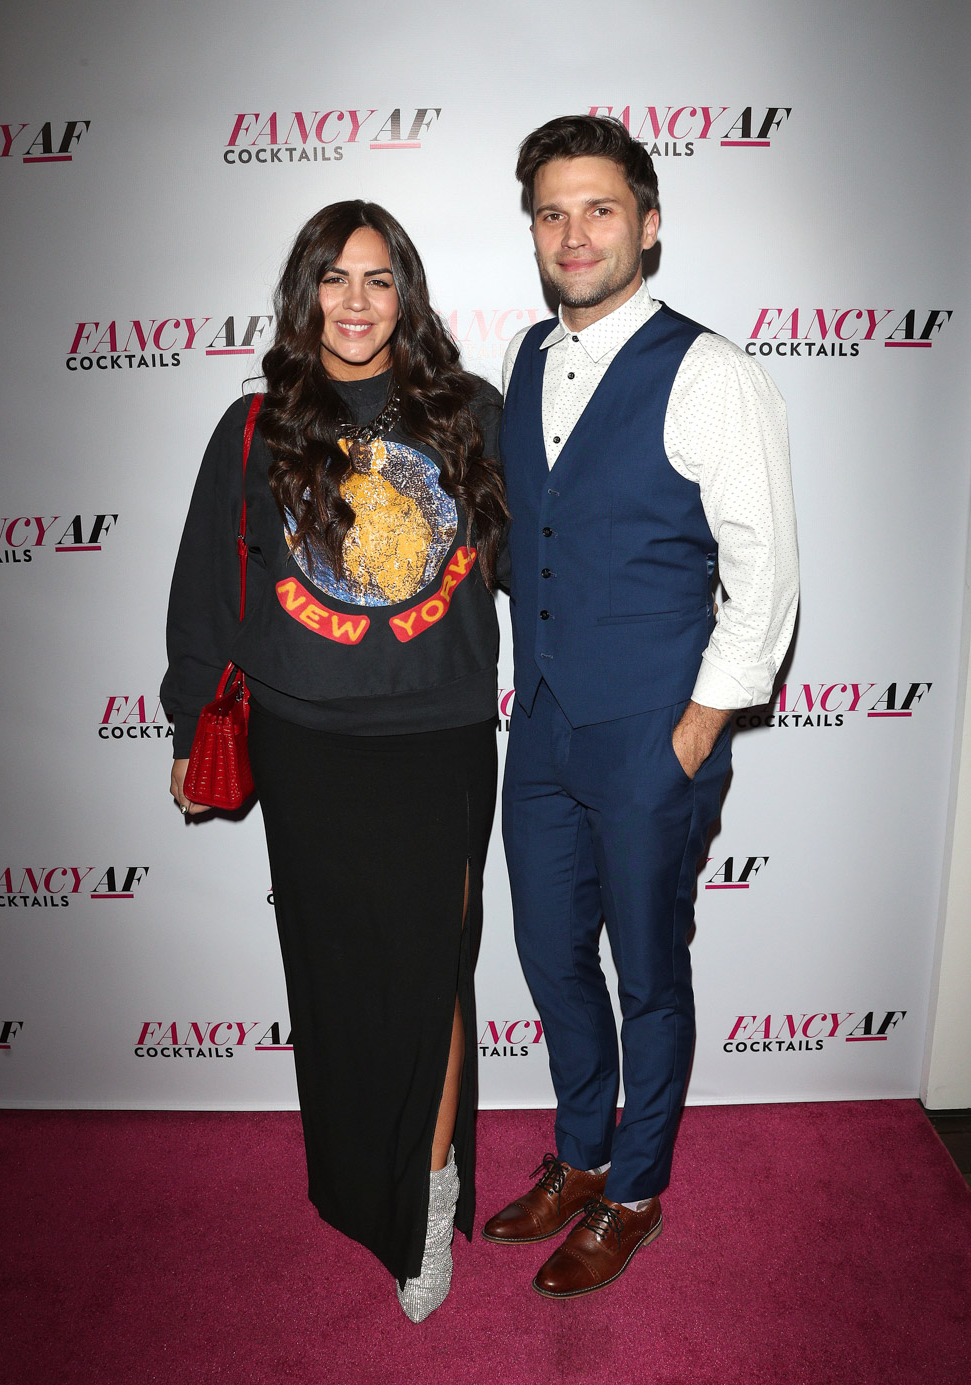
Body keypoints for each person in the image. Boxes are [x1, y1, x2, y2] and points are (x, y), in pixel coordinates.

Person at [161, 200, 506, 1323]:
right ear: (304, 291)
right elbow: (209, 588)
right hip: (306, 744)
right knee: (343, 979)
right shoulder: (256, 425)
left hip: (437, 738)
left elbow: (544, 558)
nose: (355, 303)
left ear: (405, 294)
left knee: (432, 973)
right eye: (334, 279)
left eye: (378, 280)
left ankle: (433, 1196)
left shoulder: (467, 415)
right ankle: (367, 1186)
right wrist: (185, 719)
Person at [483, 115, 799, 1297]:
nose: (574, 233)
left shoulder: (712, 371)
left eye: (599, 208)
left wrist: (695, 731)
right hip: (546, 723)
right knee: (548, 952)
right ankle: (577, 1152)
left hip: (651, 732)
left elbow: (764, 571)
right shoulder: (520, 357)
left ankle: (633, 1192)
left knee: (649, 971)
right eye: (552, 213)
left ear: (648, 222)